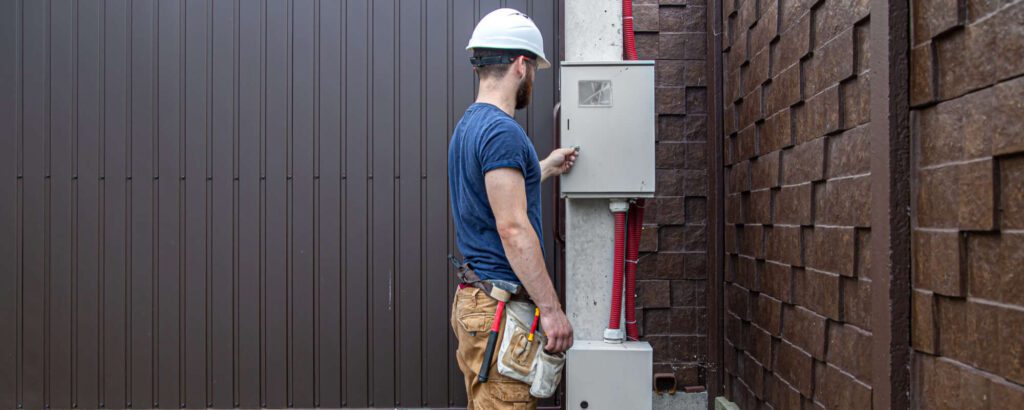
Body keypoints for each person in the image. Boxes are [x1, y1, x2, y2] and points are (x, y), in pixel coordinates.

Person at [447, 8, 578, 410]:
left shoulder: (469, 126)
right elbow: (513, 227)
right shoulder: (503, 132)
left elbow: (498, 196)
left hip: (475, 303)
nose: (533, 76)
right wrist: (552, 311)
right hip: (500, 312)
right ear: (521, 65)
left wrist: (546, 167)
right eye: (534, 68)